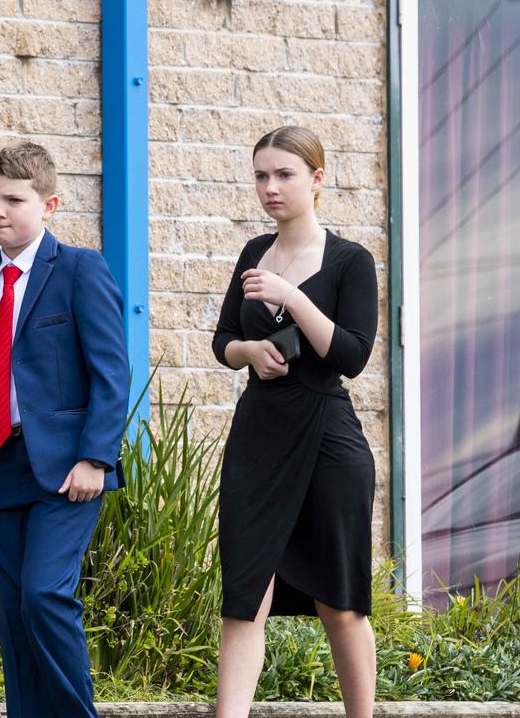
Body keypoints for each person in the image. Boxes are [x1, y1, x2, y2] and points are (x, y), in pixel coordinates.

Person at [0, 142, 130, 718]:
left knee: (46, 594)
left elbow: (111, 371)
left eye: (14, 200)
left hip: (66, 470)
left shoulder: (79, 269)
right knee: (13, 607)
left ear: (49, 204)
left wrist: (96, 458)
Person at [211, 125, 379, 718]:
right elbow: (224, 340)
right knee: (245, 597)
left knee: (340, 601)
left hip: (328, 437)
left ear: (317, 177)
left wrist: (293, 295)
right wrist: (249, 354)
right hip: (259, 433)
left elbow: (352, 357)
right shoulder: (253, 251)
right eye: (261, 175)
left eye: (284, 174)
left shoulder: (351, 261)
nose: (270, 187)